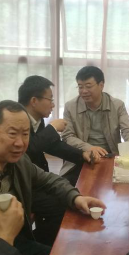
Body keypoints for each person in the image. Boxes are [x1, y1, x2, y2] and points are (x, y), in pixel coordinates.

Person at [0, 100, 106, 255]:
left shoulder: (19, 161)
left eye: (25, 134)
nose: (20, 143)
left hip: (14, 242)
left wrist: (75, 198)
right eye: (12, 134)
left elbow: (48, 180)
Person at [18, 75, 93, 245]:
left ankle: (47, 243)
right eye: (50, 99)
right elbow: (29, 148)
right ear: (34, 101)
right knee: (61, 205)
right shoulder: (18, 120)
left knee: (69, 191)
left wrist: (82, 154)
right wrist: (52, 128)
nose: (52, 104)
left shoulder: (35, 119)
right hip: (22, 184)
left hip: (37, 179)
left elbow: (52, 146)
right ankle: (46, 245)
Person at [61, 66, 129, 159]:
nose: (84, 91)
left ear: (101, 85)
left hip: (110, 155)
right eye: (80, 87)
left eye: (88, 86)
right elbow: (67, 136)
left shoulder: (117, 105)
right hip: (82, 155)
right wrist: (89, 148)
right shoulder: (70, 107)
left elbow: (128, 130)